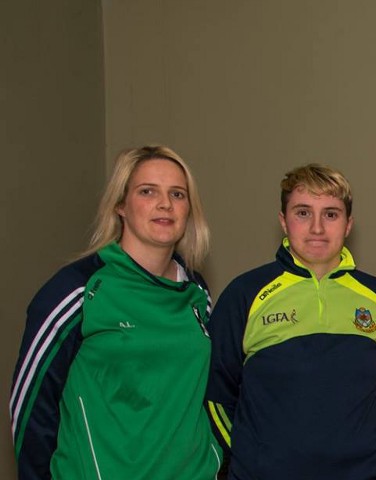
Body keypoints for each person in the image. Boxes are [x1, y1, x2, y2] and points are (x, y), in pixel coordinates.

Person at [11, 145, 221, 479]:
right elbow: (31, 408)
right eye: (147, 191)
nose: (165, 204)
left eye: (177, 194)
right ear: (120, 205)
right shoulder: (77, 290)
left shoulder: (197, 292)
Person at [206, 164, 376, 479]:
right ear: (283, 221)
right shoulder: (245, 294)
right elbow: (216, 395)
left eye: (331, 214)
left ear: (349, 224)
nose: (317, 228)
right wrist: (250, 457)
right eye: (302, 213)